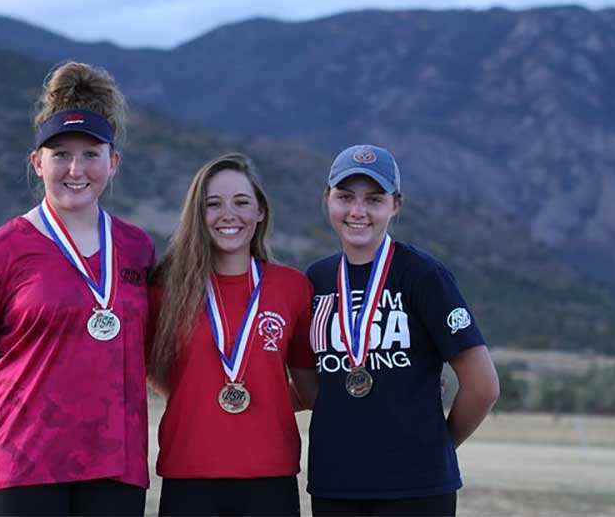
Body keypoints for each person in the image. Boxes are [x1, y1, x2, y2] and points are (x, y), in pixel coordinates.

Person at [0, 61, 154, 516]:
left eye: (91, 154)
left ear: (113, 163)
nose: (76, 169)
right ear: (38, 163)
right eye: (60, 155)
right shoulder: (1, 251)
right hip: (23, 471)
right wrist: (10, 429)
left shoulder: (137, 249)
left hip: (116, 469)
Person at [305, 144, 500, 516]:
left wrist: (438, 444)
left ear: (396, 205)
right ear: (327, 200)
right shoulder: (317, 279)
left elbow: (484, 386)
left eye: (374, 199)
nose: (358, 211)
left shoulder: (424, 276)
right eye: (345, 197)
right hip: (335, 482)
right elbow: (313, 383)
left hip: (415, 487)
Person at [147, 153, 318, 516]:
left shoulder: (292, 287)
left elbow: (309, 389)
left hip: (271, 473)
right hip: (189, 471)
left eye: (241, 202)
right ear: (198, 215)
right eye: (213, 204)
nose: (229, 214)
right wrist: (201, 393)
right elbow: (154, 369)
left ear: (260, 212)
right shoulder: (166, 288)